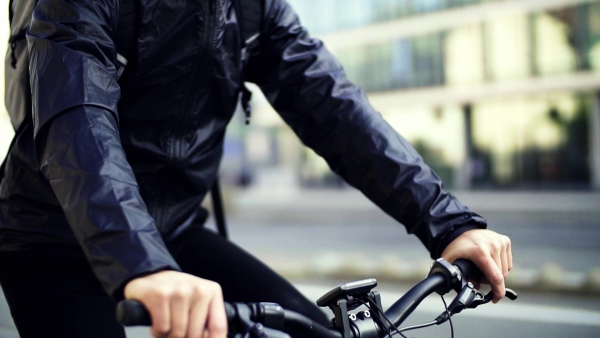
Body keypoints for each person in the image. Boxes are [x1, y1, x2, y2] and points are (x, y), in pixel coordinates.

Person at [0, 0, 513, 337]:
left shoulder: (251, 7)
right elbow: (77, 121)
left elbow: (333, 105)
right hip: (53, 239)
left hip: (174, 230)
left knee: (311, 331)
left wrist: (448, 223)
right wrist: (144, 267)